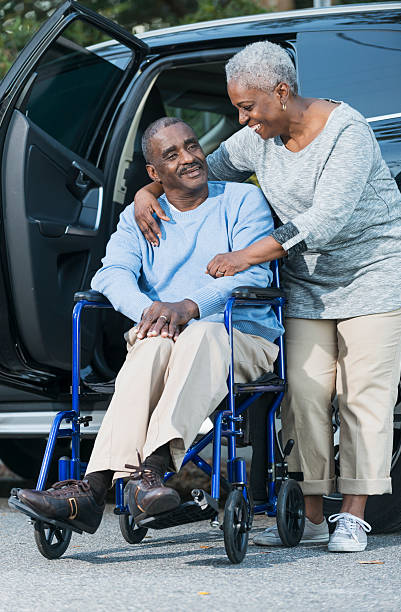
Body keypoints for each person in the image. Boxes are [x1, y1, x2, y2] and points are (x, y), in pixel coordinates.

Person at [133, 42, 401, 553]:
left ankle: (351, 515)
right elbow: (199, 168)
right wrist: (144, 193)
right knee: (303, 394)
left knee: (362, 394)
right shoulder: (258, 139)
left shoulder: (347, 133)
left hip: (377, 273)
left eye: (247, 106)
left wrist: (246, 257)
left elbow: (326, 218)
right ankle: (307, 513)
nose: (242, 118)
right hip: (308, 282)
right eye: (238, 107)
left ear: (282, 92)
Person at [16, 117, 283, 534]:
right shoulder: (138, 217)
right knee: (154, 342)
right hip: (165, 336)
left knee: (203, 333)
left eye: (192, 146)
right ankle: (97, 489)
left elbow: (253, 275)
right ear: (154, 174)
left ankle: (146, 469)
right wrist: (151, 311)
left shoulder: (242, 199)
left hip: (238, 335)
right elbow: (111, 274)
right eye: (172, 155)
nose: (190, 158)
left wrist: (191, 306)